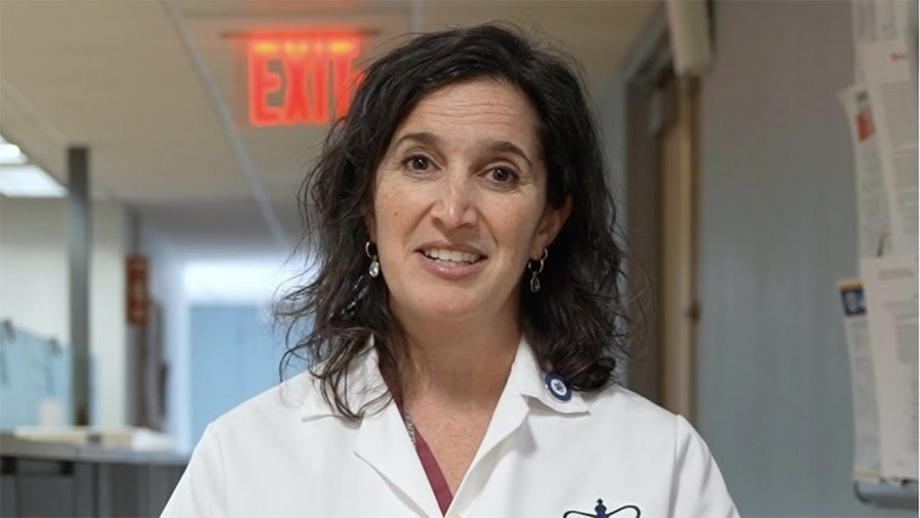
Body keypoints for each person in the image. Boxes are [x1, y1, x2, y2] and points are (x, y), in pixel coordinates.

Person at [161, 24, 739, 518]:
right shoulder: (243, 457)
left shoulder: (661, 461)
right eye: (420, 163)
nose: (454, 210)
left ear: (547, 223)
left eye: (500, 174)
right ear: (367, 205)